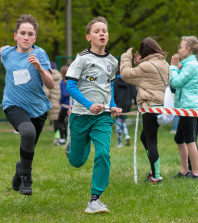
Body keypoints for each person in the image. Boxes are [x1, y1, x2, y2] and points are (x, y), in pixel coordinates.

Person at [0, 14, 54, 195]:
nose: (26, 37)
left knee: (29, 145)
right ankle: (26, 179)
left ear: (35, 38)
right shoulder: (8, 52)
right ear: (15, 36)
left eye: (30, 34)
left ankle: (20, 170)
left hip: (38, 109)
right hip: (13, 104)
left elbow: (51, 84)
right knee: (27, 133)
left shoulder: (40, 54)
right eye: (22, 33)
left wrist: (39, 68)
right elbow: (0, 51)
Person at [65, 16, 121, 214]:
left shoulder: (113, 62)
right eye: (97, 31)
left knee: (103, 153)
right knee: (77, 161)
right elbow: (70, 85)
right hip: (81, 115)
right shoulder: (82, 59)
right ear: (89, 37)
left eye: (104, 31)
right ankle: (71, 147)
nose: (102, 34)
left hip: (103, 117)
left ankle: (95, 199)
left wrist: (112, 106)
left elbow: (109, 86)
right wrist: (89, 105)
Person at [121, 37, 169, 184]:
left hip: (150, 107)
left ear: (144, 52)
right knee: (145, 137)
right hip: (162, 107)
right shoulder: (164, 63)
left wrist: (126, 57)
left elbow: (126, 74)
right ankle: (154, 171)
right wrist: (141, 63)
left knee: (151, 141)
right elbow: (150, 77)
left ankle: (156, 176)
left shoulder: (147, 66)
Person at [170, 36, 198, 179]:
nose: (178, 50)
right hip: (185, 106)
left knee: (190, 139)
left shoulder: (191, 65)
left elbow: (176, 82)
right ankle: (184, 170)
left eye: (181, 47)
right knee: (179, 138)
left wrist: (172, 66)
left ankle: (196, 172)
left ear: (188, 49)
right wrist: (178, 67)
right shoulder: (187, 65)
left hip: (189, 107)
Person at [113, 71, 134, 148]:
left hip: (117, 105)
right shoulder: (129, 81)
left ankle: (119, 142)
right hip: (127, 105)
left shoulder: (114, 82)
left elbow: (113, 94)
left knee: (118, 122)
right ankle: (126, 134)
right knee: (123, 120)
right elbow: (134, 92)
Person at [43, 62, 62, 145]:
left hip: (53, 103)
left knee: (56, 121)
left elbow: (45, 92)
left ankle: (57, 137)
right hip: (63, 102)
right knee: (62, 120)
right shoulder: (61, 76)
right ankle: (63, 137)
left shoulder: (47, 77)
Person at [57, 65, 70, 145]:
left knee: (59, 121)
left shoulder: (62, 82)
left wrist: (60, 101)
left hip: (65, 105)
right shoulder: (72, 81)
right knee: (68, 122)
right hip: (72, 106)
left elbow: (64, 94)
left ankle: (62, 139)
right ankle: (67, 136)